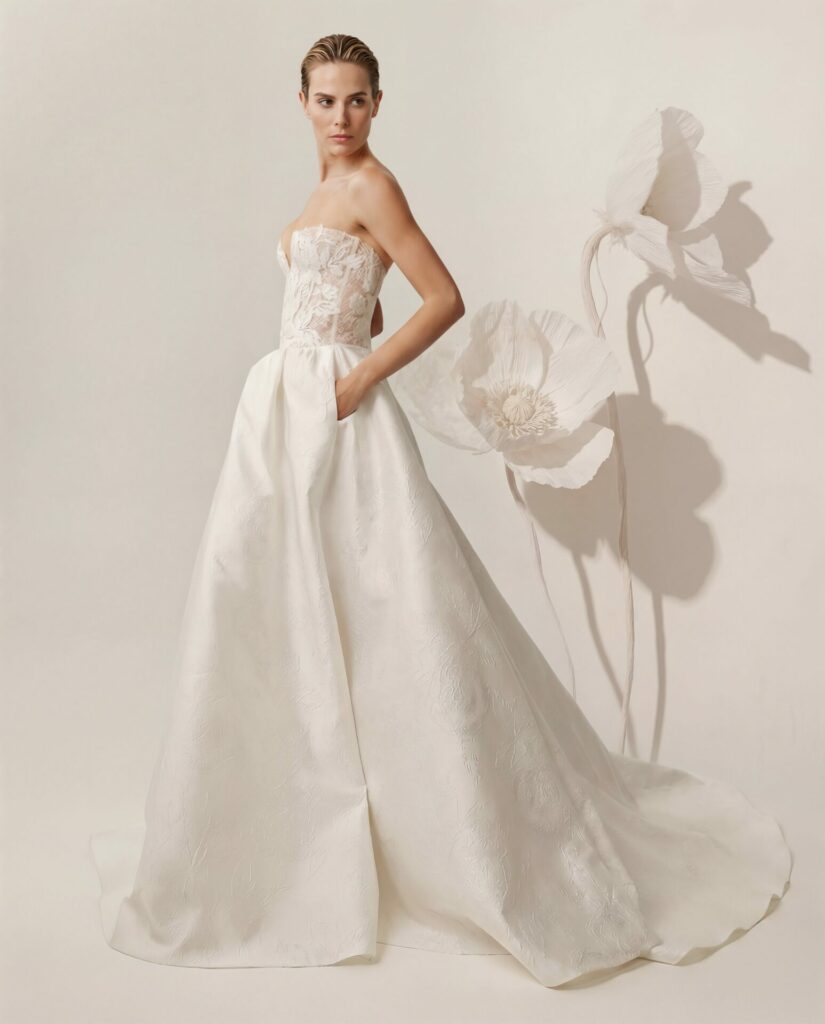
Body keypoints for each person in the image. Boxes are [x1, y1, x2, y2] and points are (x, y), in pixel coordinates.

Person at [89, 33, 792, 988]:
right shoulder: (322, 196)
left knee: (392, 614)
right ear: (300, 102)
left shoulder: (373, 184)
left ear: (379, 104)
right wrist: (340, 352)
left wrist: (355, 380)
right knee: (288, 607)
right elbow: (360, 295)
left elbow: (443, 298)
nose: (341, 117)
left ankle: (453, 838)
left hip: (330, 410)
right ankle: (303, 834)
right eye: (325, 100)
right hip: (282, 416)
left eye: (357, 101)